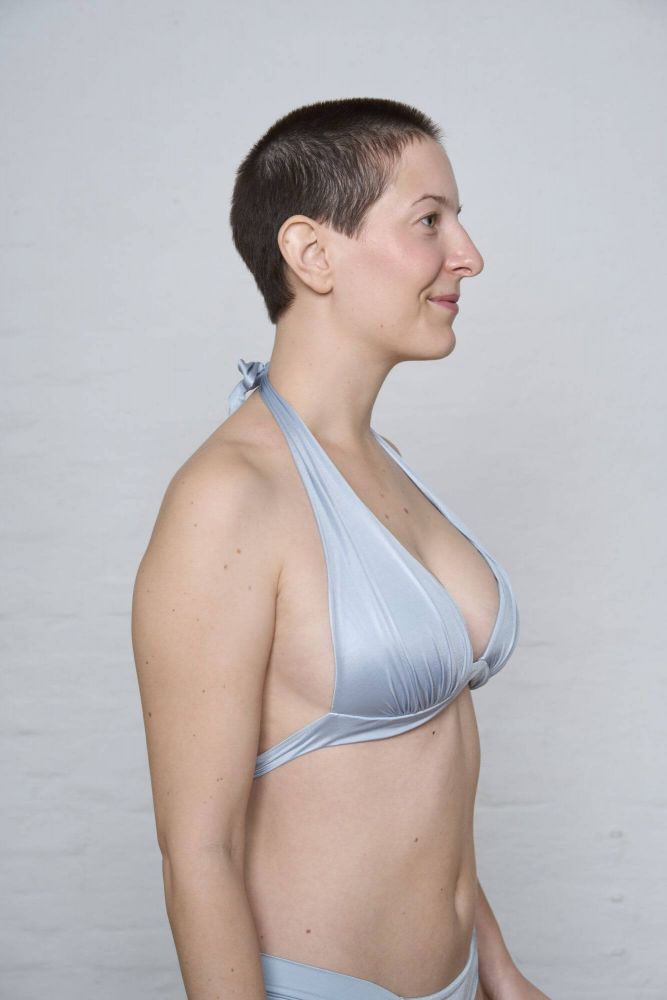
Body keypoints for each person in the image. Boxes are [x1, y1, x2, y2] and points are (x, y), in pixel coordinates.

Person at [132, 97, 550, 1000]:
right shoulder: (229, 499)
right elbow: (198, 850)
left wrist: (500, 970)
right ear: (311, 253)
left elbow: (427, 767)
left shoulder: (382, 461)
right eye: (429, 221)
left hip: (462, 979)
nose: (467, 255)